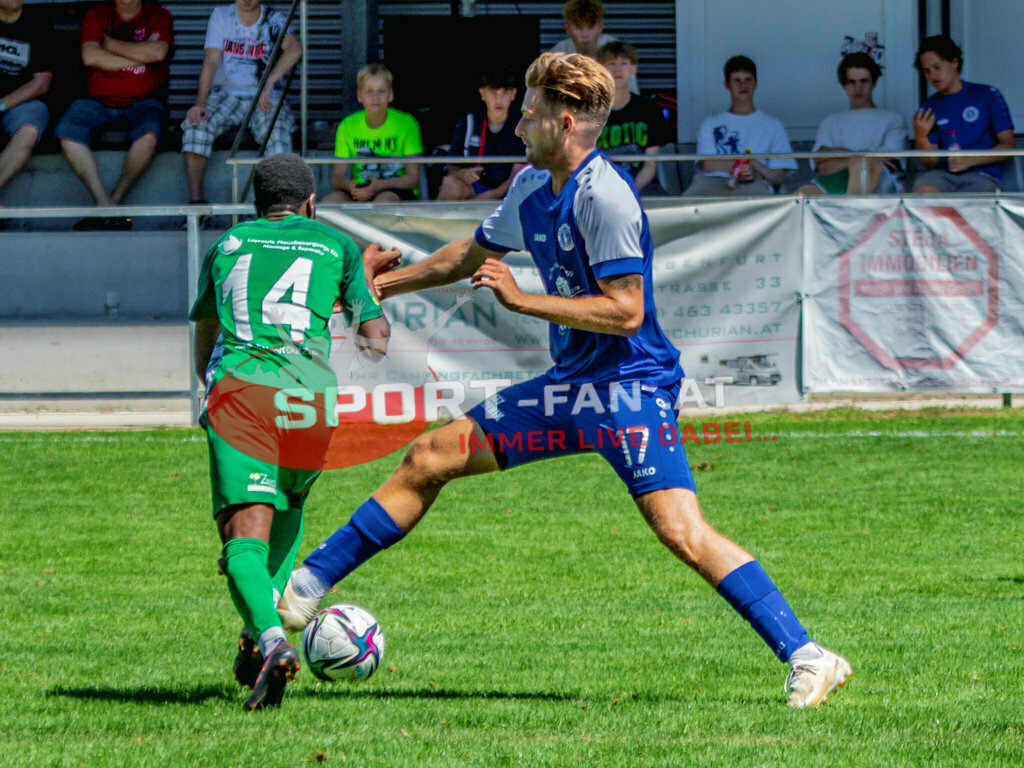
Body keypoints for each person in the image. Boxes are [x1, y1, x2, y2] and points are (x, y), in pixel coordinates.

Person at [275, 52, 852, 708]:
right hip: (568, 387)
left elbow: (627, 311)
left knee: (682, 532)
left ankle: (810, 656)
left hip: (629, 387)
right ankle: (305, 587)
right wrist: (377, 282)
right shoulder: (529, 186)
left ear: (566, 122)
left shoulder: (605, 196)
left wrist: (524, 303)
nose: (520, 125)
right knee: (430, 455)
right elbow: (468, 256)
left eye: (531, 115)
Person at [190, 152, 394, 710]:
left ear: (255, 205)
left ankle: (273, 641)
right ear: (310, 203)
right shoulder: (336, 245)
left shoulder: (227, 246)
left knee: (242, 542)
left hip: (244, 392)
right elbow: (375, 339)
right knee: (288, 506)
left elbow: (206, 331)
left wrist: (209, 384)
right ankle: (253, 639)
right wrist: (363, 286)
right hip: (311, 399)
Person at [54, 0, 173, 230]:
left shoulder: (159, 16)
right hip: (97, 100)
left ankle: (111, 205)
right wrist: (140, 57)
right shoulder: (97, 15)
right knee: (67, 131)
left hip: (145, 100)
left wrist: (109, 45)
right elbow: (90, 57)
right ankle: (105, 204)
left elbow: (158, 53)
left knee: (149, 136)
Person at [182, 0, 302, 205]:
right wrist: (200, 103)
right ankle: (196, 204)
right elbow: (211, 61)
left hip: (264, 97)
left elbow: (295, 49)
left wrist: (270, 81)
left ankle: (278, 207)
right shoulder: (221, 15)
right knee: (196, 125)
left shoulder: (273, 19)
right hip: (227, 94)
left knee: (276, 130)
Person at [911, 35, 1014, 193]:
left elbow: (1008, 145)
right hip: (942, 175)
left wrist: (970, 159)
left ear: (954, 62)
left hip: (982, 175)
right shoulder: (928, 106)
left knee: (970, 203)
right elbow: (930, 163)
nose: (932, 76)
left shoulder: (987, 95)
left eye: (937, 67)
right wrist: (920, 136)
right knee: (923, 191)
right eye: (927, 71)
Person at [685, 55, 796, 197]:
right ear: (727, 84)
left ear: (756, 83)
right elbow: (708, 165)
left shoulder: (773, 126)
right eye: (737, 81)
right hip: (712, 184)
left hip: (754, 185)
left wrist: (754, 169)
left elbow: (778, 177)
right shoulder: (710, 123)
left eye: (748, 80)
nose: (743, 86)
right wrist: (744, 165)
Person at [798, 52, 907, 196]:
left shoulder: (893, 120)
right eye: (852, 82)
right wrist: (857, 158)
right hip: (835, 181)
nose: (858, 88)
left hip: (880, 186)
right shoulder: (830, 122)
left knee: (863, 166)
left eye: (864, 81)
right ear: (844, 85)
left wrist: (842, 158)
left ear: (873, 82)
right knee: (803, 193)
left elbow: (889, 164)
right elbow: (821, 166)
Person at [323, 63, 422, 203]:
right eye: (369, 91)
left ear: (391, 94)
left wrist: (380, 186)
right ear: (359, 96)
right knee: (330, 202)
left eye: (381, 91)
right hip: (360, 189)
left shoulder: (407, 123)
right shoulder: (347, 125)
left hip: (395, 190)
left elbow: (413, 178)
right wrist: (349, 186)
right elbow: (337, 177)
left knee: (382, 202)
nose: (375, 97)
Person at [437, 69, 525, 201]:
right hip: (474, 188)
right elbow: (452, 167)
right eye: (493, 93)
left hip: (510, 191)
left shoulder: (522, 125)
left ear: (513, 94)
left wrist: (492, 195)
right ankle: (432, 222)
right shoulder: (468, 122)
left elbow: (518, 176)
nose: (499, 100)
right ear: (482, 93)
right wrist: (462, 174)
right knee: (450, 183)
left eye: (505, 93)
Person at [595, 41, 669, 195]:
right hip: (599, 187)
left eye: (624, 63)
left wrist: (629, 190)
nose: (617, 69)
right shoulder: (589, 112)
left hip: (641, 186)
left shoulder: (650, 110)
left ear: (634, 69)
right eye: (611, 64)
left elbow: (650, 166)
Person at [0, 0, 53, 201]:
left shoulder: (38, 24)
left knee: (30, 129)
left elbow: (41, 83)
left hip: (21, 102)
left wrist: (3, 104)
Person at [550, 0, 637, 94]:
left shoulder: (617, 51)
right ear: (567, 28)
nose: (585, 35)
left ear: (600, 27)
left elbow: (632, 93)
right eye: (578, 28)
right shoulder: (558, 54)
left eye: (590, 28)